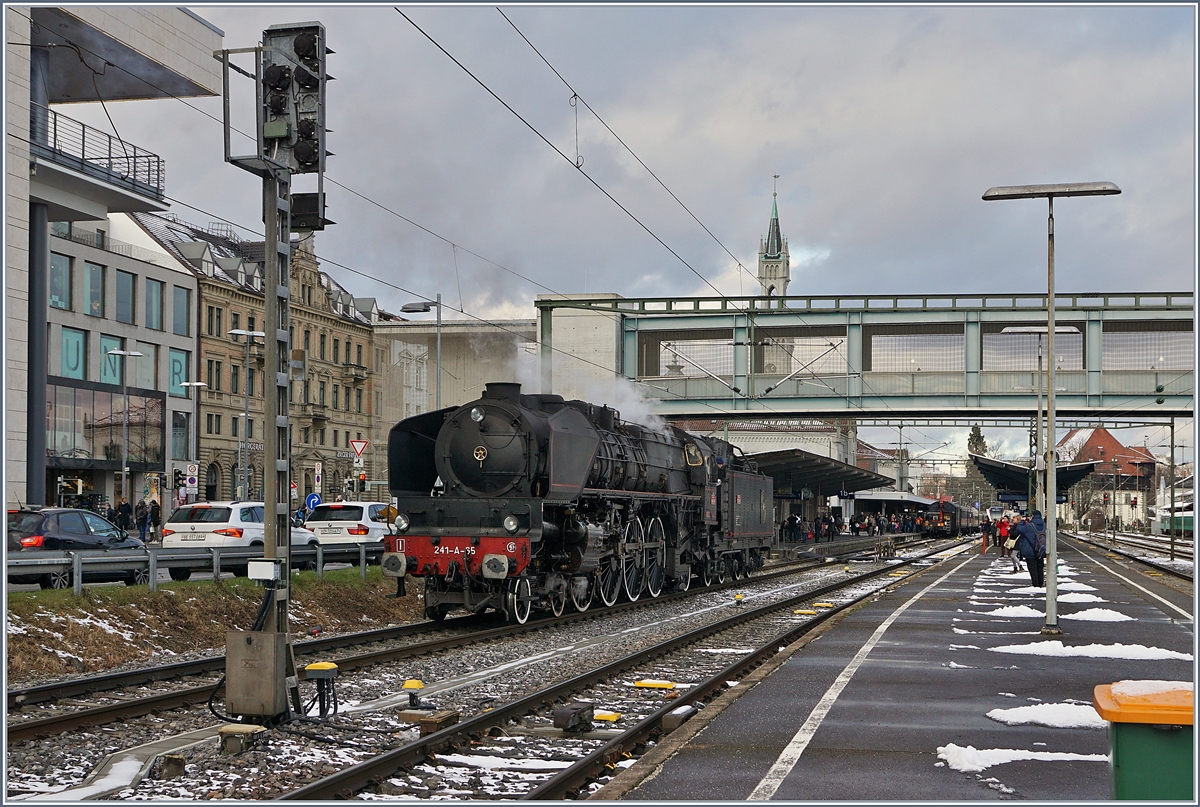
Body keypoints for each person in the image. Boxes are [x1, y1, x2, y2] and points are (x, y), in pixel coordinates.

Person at [1014, 511, 1046, 587]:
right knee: (1040, 566)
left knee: (1032, 567)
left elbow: (1019, 529)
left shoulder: (1029, 526)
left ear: (1033, 516)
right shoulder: (1045, 525)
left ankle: (1035, 584)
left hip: (1030, 550)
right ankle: (1041, 583)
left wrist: (1022, 521)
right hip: (1041, 549)